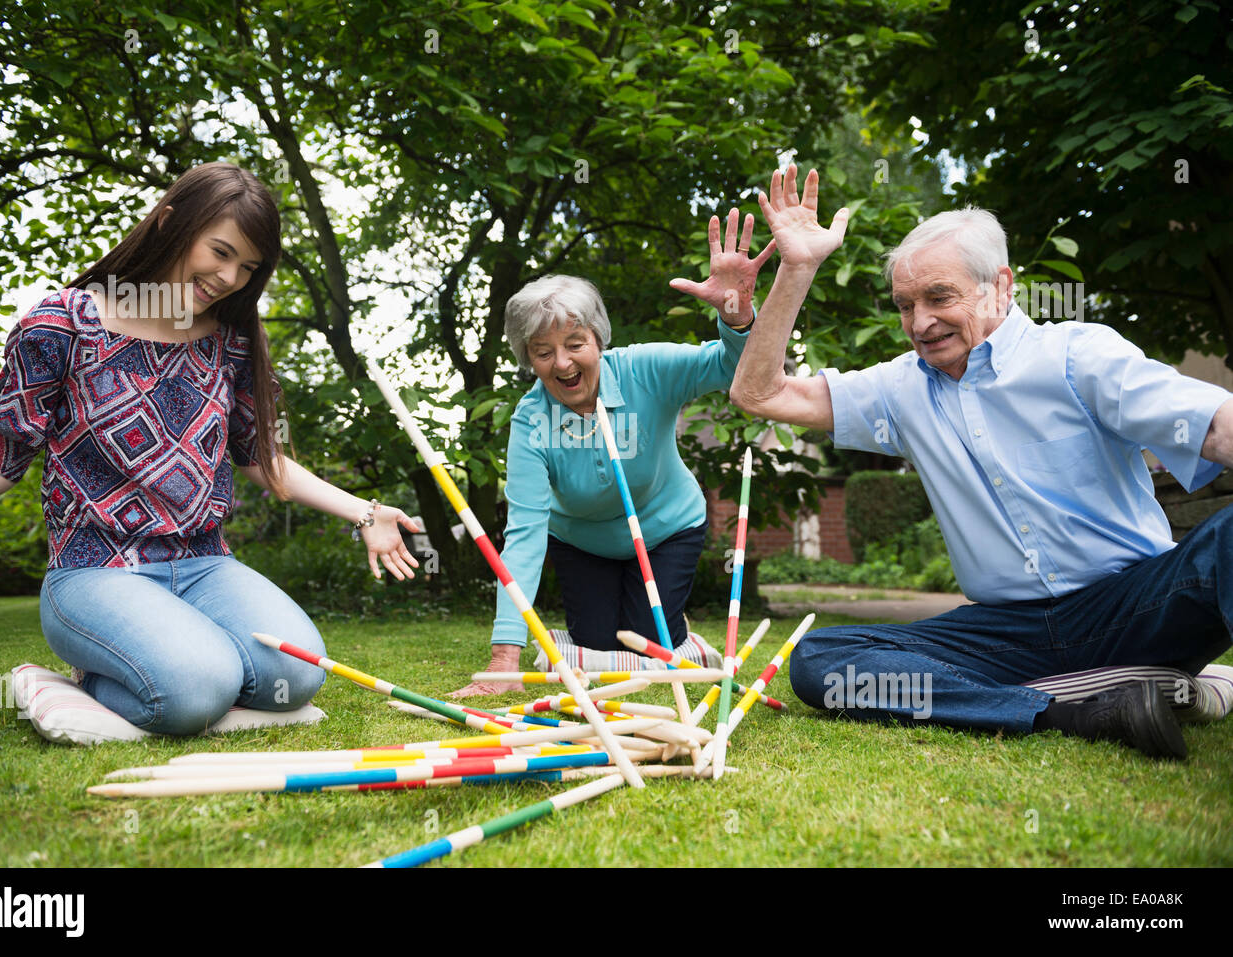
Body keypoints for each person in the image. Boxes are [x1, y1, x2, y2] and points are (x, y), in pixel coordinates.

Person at [731, 164, 1233, 759]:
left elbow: (1216, 426)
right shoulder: (898, 388)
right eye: (904, 305)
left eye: (938, 297)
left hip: (1135, 607)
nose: (919, 323)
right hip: (1007, 634)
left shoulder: (1078, 355)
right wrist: (798, 268)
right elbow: (759, 394)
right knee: (823, 662)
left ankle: (1140, 683)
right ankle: (1077, 711)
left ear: (1000, 286)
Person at [0, 162, 420, 735]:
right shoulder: (60, 325)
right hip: (93, 571)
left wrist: (364, 512)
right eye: (220, 252)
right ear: (169, 223)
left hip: (204, 563)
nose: (230, 277)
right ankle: (75, 680)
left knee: (294, 674)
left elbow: (262, 458)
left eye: (248, 267)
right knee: (195, 691)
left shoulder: (233, 342)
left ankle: (175, 664)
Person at [450, 210, 774, 697]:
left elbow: (731, 367)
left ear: (598, 339)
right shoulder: (530, 421)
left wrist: (735, 318)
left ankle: (673, 626)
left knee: (647, 644)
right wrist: (504, 658)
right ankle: (608, 623)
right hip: (581, 541)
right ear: (528, 359)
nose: (562, 362)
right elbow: (524, 536)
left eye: (575, 343)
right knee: (599, 643)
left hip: (667, 527)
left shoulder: (647, 369)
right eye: (542, 352)